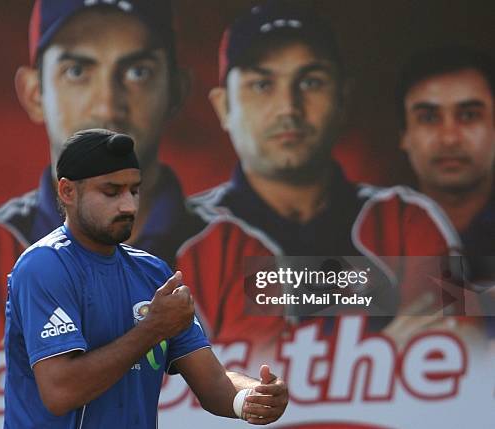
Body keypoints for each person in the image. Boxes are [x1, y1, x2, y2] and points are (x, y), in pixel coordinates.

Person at [175, 0, 469, 353]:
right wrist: (381, 351)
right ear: (224, 106)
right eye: (262, 85)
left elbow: (456, 349)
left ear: (343, 97)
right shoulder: (180, 237)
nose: (289, 107)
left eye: (311, 81)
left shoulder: (407, 221)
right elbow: (166, 385)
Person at [0, 0, 192, 362]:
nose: (107, 106)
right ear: (33, 93)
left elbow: (262, 405)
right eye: (77, 71)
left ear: (176, 91)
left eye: (138, 71)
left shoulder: (242, 250)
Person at [3, 129, 288, 428]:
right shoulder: (44, 266)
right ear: (67, 192)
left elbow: (213, 383)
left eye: (134, 190)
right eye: (111, 192)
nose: (128, 206)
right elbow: (60, 392)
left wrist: (252, 397)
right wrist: (152, 329)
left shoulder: (153, 273)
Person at [397, 46, 495, 336]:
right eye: (429, 118)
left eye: (468, 115)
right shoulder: (366, 241)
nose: (449, 138)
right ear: (404, 135)